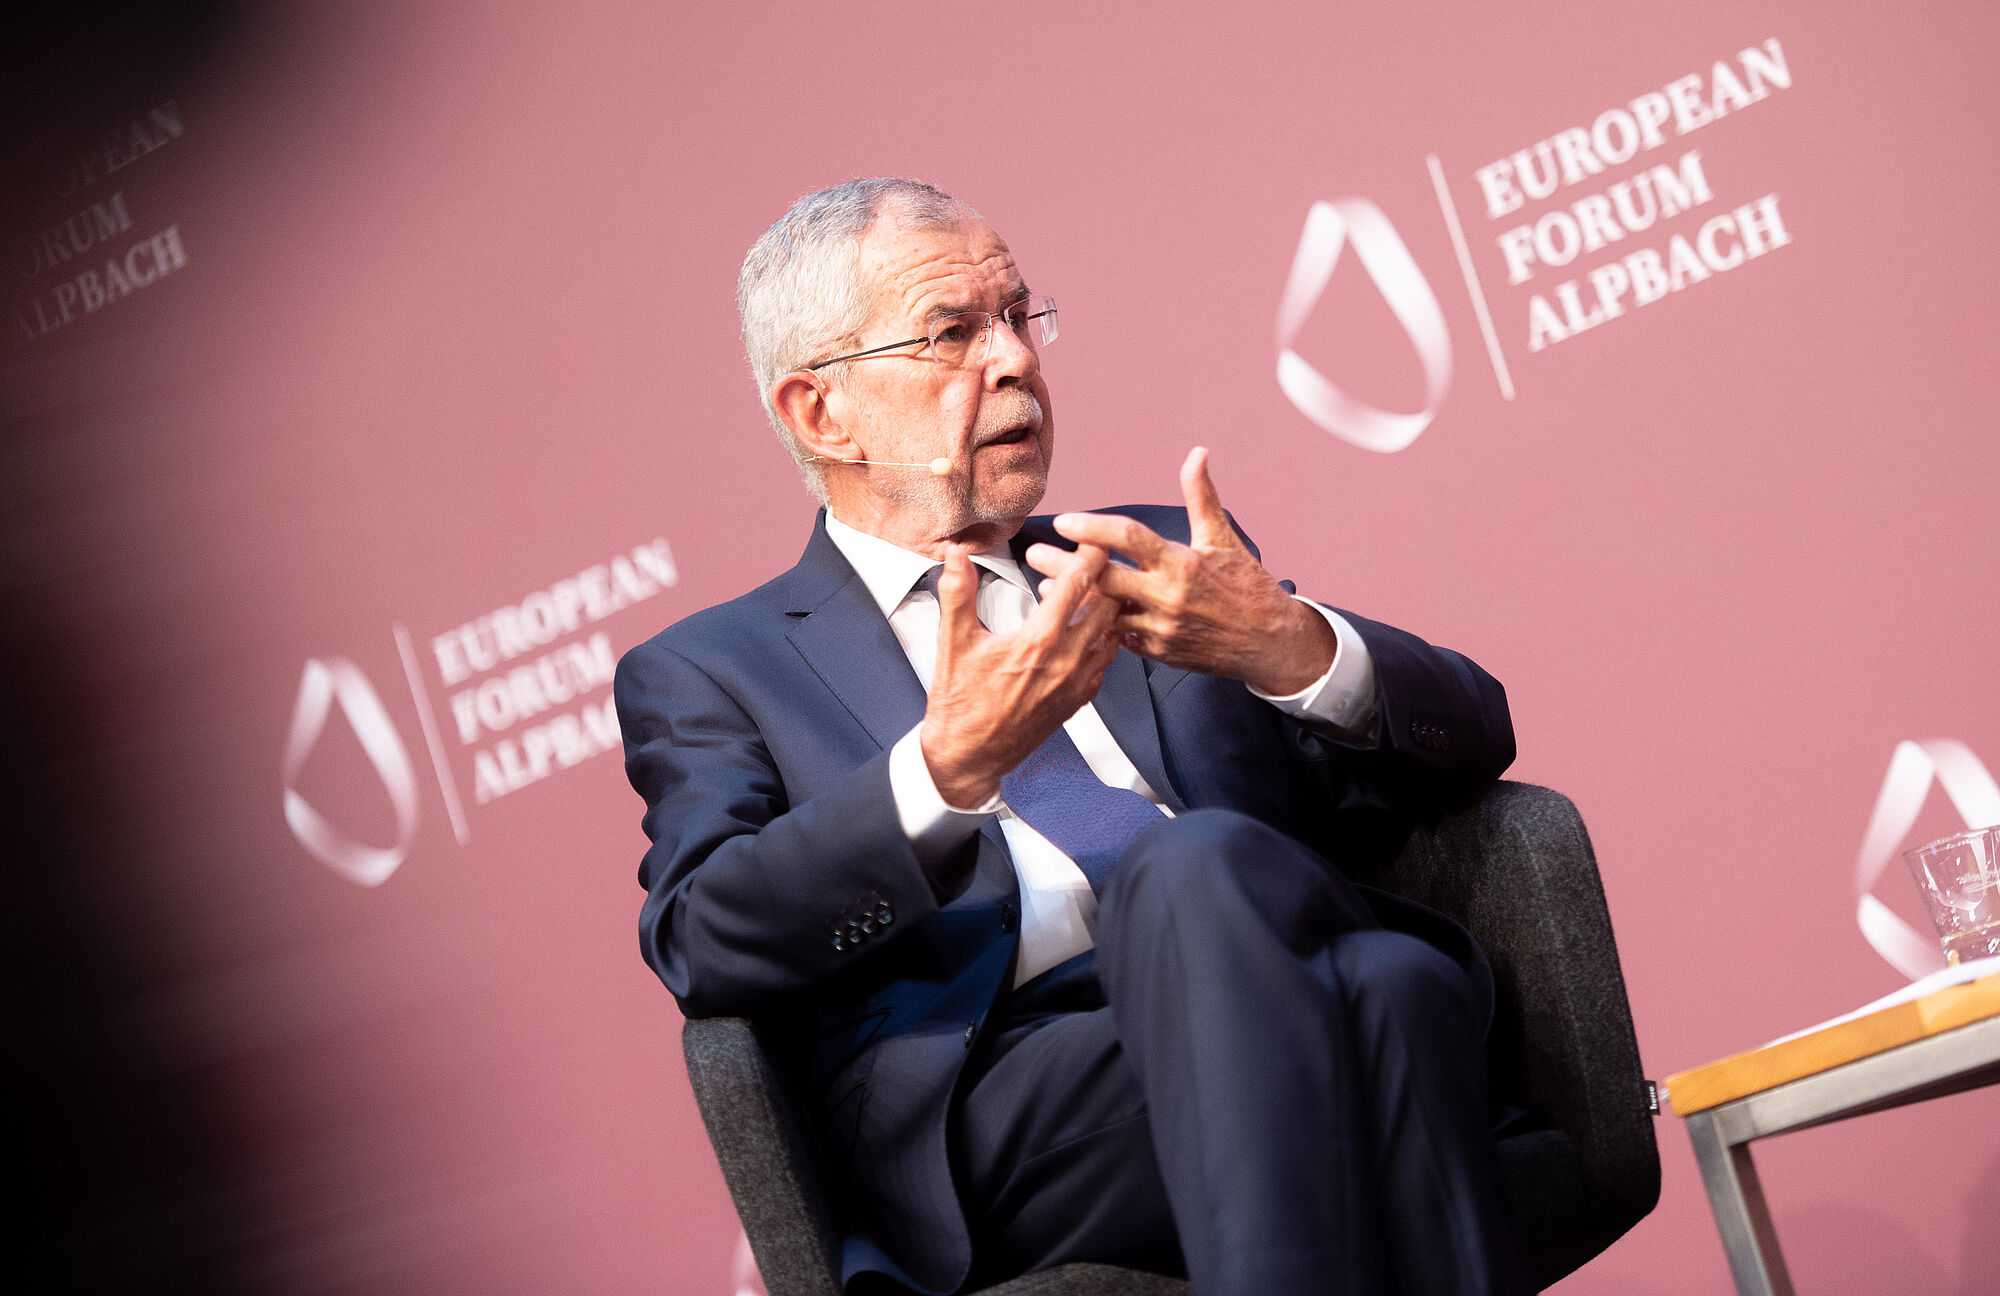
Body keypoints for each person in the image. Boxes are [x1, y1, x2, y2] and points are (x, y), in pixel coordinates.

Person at [616, 177, 1528, 1296]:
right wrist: (940, 772)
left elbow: (1474, 734)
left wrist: (1290, 647)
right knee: (1386, 991)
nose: (1012, 359)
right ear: (820, 413)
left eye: (1016, 316)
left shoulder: (1156, 559)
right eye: (951, 331)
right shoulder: (718, 669)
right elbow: (703, 935)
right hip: (1015, 1093)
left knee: (1279, 923)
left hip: (1267, 973)